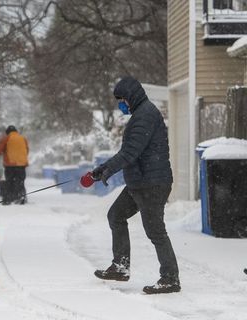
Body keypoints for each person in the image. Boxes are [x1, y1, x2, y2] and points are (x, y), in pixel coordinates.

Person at [92, 76, 180, 294]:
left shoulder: (145, 116)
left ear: (131, 97)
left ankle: (170, 278)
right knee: (116, 216)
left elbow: (130, 153)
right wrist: (104, 167)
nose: (121, 104)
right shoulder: (141, 114)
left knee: (155, 231)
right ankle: (120, 267)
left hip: (152, 184)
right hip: (140, 182)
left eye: (122, 100)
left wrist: (108, 169)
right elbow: (129, 152)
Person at [0, 125, 29, 205]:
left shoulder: (7, 138)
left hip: (10, 164)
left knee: (10, 181)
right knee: (20, 181)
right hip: (22, 165)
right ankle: (21, 197)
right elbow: (27, 150)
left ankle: (9, 198)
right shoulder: (23, 138)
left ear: (7, 132)